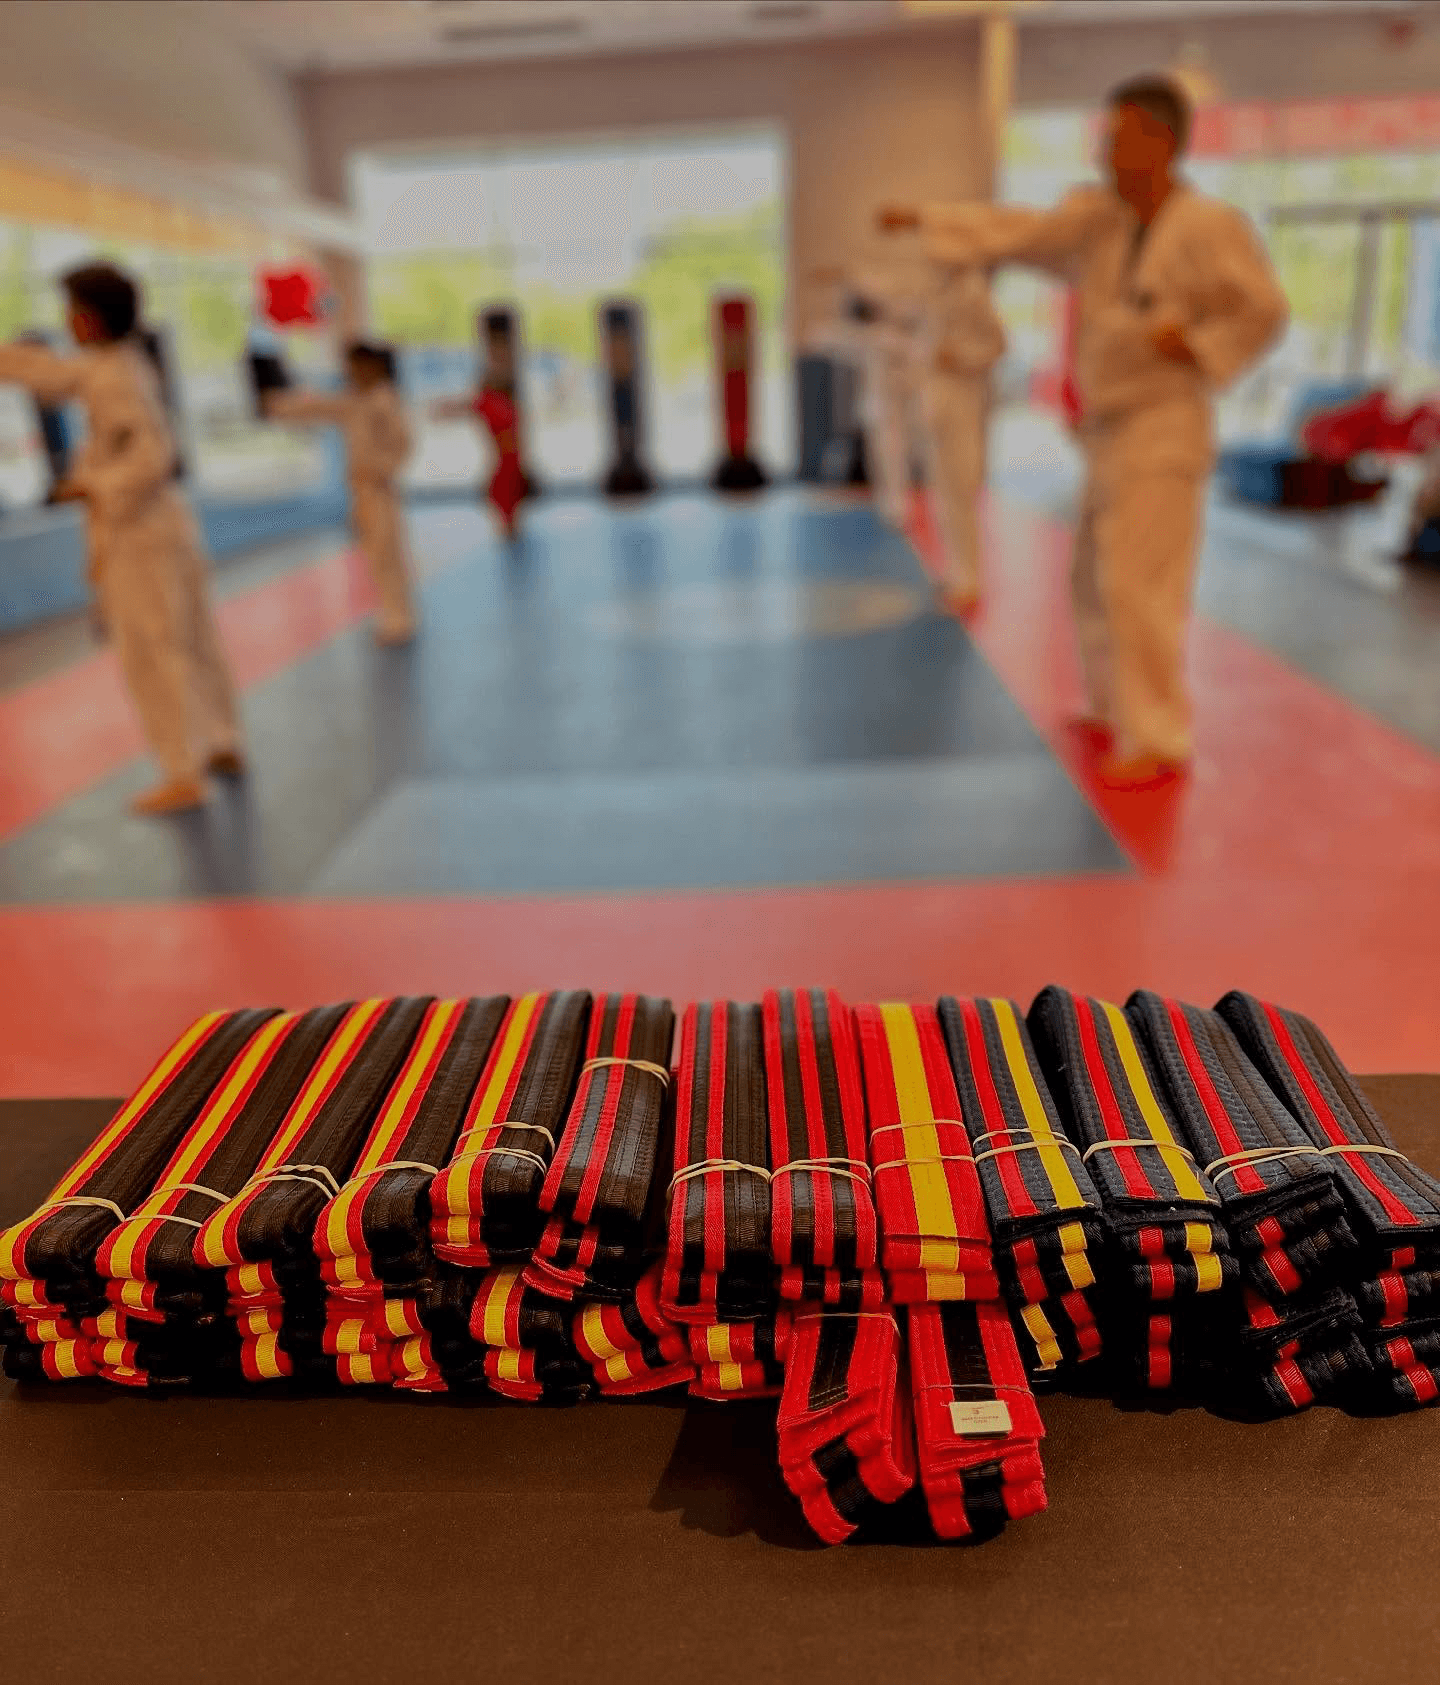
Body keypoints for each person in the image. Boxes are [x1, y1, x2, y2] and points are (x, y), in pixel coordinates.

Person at [881, 74, 1289, 787]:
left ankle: (1159, 735)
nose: (1105, 148)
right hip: (1105, 430)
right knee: (1093, 581)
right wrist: (926, 219)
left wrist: (1192, 342)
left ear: (1162, 143)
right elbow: (1021, 231)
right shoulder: (1101, 220)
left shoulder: (1208, 225)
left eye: (1119, 135)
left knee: (1141, 584)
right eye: (1105, 135)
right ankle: (1110, 705)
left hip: (1164, 424)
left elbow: (1263, 310)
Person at [0, 263, 244, 815]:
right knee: (193, 639)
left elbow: (153, 457)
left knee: (151, 652)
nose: (67, 319)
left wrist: (91, 487)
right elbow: (51, 375)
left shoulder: (114, 375)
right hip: (163, 527)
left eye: (72, 308)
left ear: (90, 315)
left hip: (141, 535)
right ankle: (222, 739)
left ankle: (182, 771)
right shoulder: (119, 364)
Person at [267, 341, 417, 642]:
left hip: (379, 488)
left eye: (356, 365)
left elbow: (404, 443)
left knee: (386, 553)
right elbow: (320, 407)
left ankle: (400, 616)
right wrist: (278, 405)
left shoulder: (383, 400)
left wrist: (383, 470)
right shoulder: (358, 401)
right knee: (376, 553)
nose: (351, 372)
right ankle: (392, 611)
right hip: (362, 488)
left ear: (372, 365)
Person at [921, 261, 1007, 614]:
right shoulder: (937, 287)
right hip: (939, 404)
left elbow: (999, 345)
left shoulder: (972, 289)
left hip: (963, 402)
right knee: (944, 492)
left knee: (960, 490)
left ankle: (970, 580)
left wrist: (961, 358)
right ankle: (957, 572)